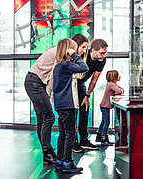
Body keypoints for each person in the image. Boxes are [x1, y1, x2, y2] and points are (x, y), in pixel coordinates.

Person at [24, 34, 89, 164]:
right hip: (35, 82)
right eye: (81, 47)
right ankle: (47, 152)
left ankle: (47, 152)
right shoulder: (59, 54)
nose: (82, 51)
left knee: (43, 118)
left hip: (36, 82)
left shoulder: (62, 55)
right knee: (48, 117)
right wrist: (49, 95)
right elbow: (53, 77)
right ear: (71, 47)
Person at [53, 38, 89, 173]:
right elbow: (85, 67)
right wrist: (74, 55)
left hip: (61, 105)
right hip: (68, 105)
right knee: (70, 134)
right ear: (68, 50)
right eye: (73, 49)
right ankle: (67, 163)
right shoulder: (66, 65)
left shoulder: (59, 66)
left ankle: (60, 161)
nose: (77, 52)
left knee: (63, 133)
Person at [73, 39, 109, 152]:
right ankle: (73, 142)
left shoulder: (102, 61)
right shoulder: (83, 53)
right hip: (72, 82)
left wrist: (87, 96)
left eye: (105, 53)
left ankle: (84, 140)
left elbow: (94, 79)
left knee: (85, 109)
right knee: (72, 112)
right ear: (93, 50)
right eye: (101, 53)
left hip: (82, 84)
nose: (103, 55)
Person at [95, 70, 124, 146]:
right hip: (105, 106)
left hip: (104, 106)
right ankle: (104, 138)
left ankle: (99, 136)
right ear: (114, 77)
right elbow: (120, 91)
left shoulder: (111, 84)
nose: (119, 77)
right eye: (118, 75)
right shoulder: (111, 85)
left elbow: (119, 90)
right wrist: (120, 89)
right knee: (107, 122)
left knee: (103, 121)